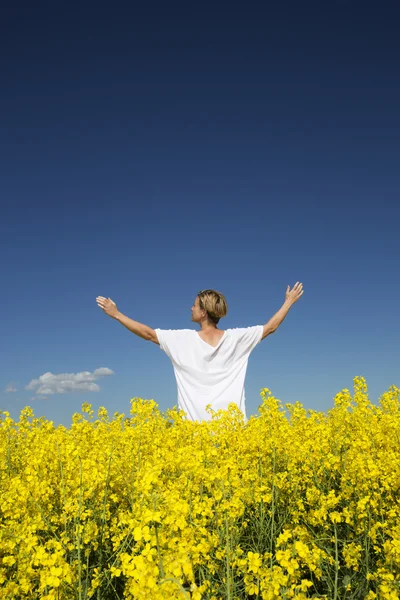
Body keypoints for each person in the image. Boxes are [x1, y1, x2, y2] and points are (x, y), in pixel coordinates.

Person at [96, 283, 304, 422]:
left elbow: (148, 334)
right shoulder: (236, 339)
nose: (190, 308)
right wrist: (288, 302)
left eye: (194, 305)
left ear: (203, 312)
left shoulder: (183, 340)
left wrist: (116, 314)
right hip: (233, 433)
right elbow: (270, 328)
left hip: (193, 435)